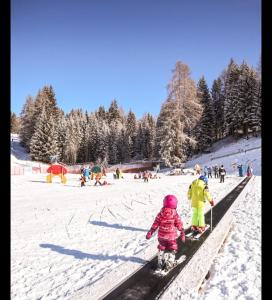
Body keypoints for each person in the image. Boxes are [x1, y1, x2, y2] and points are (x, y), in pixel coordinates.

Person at [146, 195, 185, 272]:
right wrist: (182, 232)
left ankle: (160, 264)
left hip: (161, 237)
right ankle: (169, 263)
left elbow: (155, 223)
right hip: (171, 237)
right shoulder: (175, 214)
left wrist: (151, 231)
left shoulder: (160, 213)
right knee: (172, 248)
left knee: (161, 247)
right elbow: (179, 224)